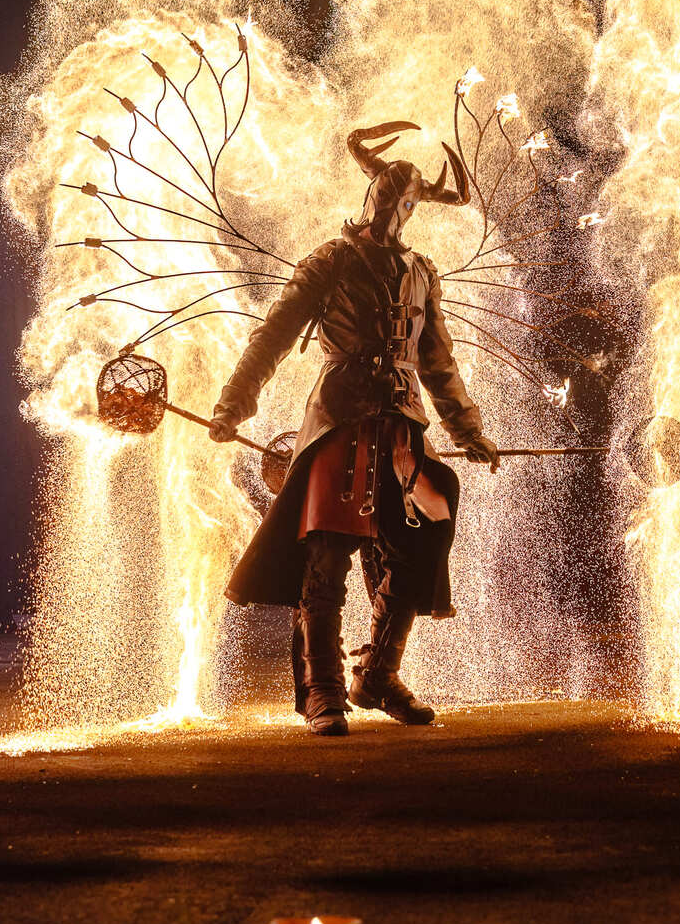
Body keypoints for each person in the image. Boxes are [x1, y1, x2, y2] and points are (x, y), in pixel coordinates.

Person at [210, 121, 499, 736]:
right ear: (372, 191)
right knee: (328, 553)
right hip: (339, 418)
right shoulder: (333, 259)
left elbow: (438, 360)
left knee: (422, 537)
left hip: (401, 427)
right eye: (389, 189)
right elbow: (276, 334)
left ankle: (378, 673)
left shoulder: (422, 271)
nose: (396, 203)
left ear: (415, 207)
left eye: (408, 196)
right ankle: (323, 689)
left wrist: (468, 428)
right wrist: (234, 403)